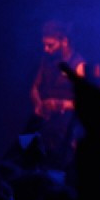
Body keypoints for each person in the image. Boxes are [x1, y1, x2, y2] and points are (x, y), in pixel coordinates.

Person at [27, 20, 87, 170]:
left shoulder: (78, 66)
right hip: (47, 128)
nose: (46, 49)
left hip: (67, 130)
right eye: (44, 45)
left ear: (64, 41)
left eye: (50, 45)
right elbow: (35, 87)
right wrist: (38, 104)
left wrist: (59, 104)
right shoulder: (47, 60)